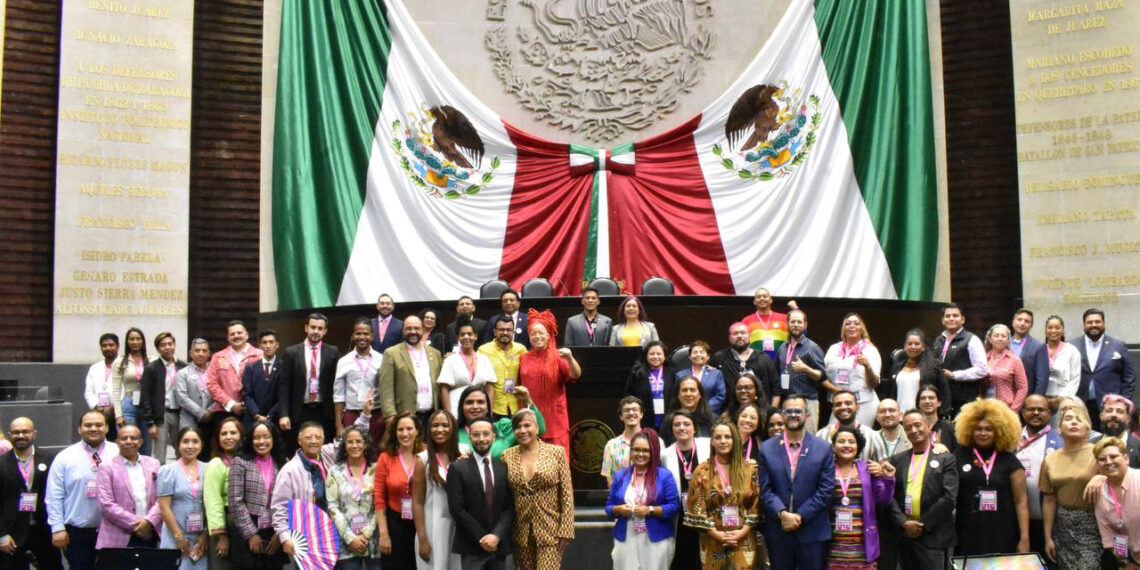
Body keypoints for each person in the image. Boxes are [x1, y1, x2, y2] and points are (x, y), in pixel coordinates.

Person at [760, 394, 836, 570]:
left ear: (807, 415)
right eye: (789, 411)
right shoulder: (767, 448)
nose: (793, 415)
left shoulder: (823, 448)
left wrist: (799, 516)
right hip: (779, 530)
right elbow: (765, 488)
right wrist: (783, 514)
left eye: (798, 411)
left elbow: (825, 490)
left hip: (812, 530)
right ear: (782, 414)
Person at [952, 398, 1030, 556]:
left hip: (1003, 532)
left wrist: (1024, 538)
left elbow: (1021, 501)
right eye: (978, 429)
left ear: (999, 430)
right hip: (967, 532)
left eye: (989, 429)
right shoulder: (959, 456)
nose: (983, 433)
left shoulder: (1010, 460)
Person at [45, 410, 120, 570]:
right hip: (77, 533)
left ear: (107, 428)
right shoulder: (65, 457)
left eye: (99, 425)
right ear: (79, 429)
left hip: (113, 530)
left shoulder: (119, 453)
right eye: (88, 425)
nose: (93, 428)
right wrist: (57, 528)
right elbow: (54, 495)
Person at [501, 409, 574, 570]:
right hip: (521, 530)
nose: (523, 431)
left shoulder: (556, 452)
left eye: (527, 425)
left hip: (551, 529)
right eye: (518, 427)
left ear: (537, 428)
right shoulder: (507, 455)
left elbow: (567, 493)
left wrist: (566, 530)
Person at [686, 420, 762, 569]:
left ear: (735, 440)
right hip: (712, 539)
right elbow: (696, 508)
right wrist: (718, 535)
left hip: (743, 539)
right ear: (712, 442)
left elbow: (757, 505)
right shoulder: (702, 472)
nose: (723, 441)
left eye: (727, 437)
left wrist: (741, 532)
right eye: (718, 437)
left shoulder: (750, 471)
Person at [889, 410, 958, 569]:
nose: (913, 430)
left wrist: (921, 525)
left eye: (918, 425)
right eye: (908, 428)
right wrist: (904, 523)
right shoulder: (897, 460)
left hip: (934, 536)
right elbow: (890, 496)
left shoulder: (945, 458)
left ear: (928, 427)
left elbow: (949, 498)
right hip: (905, 536)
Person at [445, 416, 514, 570]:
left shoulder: (503, 467)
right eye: (476, 434)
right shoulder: (457, 468)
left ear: (493, 437)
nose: (481, 439)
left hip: (498, 546)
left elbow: (509, 507)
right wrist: (482, 538)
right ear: (470, 437)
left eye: (485, 434)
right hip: (471, 545)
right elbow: (457, 509)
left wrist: (496, 535)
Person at [606, 429, 681, 570]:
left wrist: (650, 510)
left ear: (653, 452)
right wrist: (619, 509)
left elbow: (674, 506)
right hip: (625, 537)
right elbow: (609, 508)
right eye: (636, 450)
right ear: (631, 451)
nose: (640, 454)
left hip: (656, 538)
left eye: (646, 451)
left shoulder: (664, 475)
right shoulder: (620, 476)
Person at [825, 425, 896, 569]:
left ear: (858, 446)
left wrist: (888, 479)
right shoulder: (825, 469)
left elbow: (884, 500)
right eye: (841, 441)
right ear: (833, 447)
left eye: (851, 442)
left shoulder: (868, 468)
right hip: (832, 546)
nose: (846, 445)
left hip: (863, 546)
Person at [1041, 405, 1101, 569]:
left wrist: (1102, 478)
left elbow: (1119, 479)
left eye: (1079, 419)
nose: (1073, 422)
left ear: (1088, 428)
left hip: (1092, 524)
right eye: (1068, 419)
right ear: (1059, 427)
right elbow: (1048, 499)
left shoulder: (1098, 453)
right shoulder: (1050, 459)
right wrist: (1048, 537)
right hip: (1063, 527)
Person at [518, 309, 581, 453]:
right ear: (529, 336)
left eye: (541, 333)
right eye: (534, 333)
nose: (537, 336)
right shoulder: (523, 358)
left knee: (559, 464)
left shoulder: (558, 356)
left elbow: (576, 375)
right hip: (530, 418)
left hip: (555, 421)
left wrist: (570, 359)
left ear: (548, 335)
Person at [0, 418, 60, 570]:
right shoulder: (1, 463)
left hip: (44, 530)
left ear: (34, 433)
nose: (20, 435)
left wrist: (59, 528)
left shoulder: (51, 459)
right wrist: (1, 534)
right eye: (16, 432)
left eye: (25, 431)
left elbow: (58, 495)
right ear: (9, 435)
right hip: (12, 533)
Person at [227, 420, 287, 570]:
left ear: (273, 439)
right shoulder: (240, 462)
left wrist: (279, 534)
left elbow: (289, 501)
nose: (261, 441)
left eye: (266, 437)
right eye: (256, 437)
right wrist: (251, 535)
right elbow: (235, 502)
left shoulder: (283, 463)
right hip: (247, 530)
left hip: (274, 529)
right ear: (250, 440)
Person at [273, 421, 335, 559]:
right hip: (305, 536)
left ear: (323, 440)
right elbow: (279, 508)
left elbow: (350, 440)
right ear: (299, 440)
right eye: (308, 438)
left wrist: (366, 414)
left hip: (332, 533)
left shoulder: (328, 456)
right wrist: (284, 537)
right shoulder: (289, 470)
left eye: (318, 437)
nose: (313, 441)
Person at [277, 313, 341, 445]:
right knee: (299, 447)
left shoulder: (333, 352)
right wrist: (283, 414)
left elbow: (338, 384)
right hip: (299, 410)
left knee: (324, 447)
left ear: (325, 331)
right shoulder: (291, 353)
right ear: (306, 328)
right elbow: (284, 386)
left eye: (320, 328)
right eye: (313, 327)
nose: (316, 331)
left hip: (324, 410)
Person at [94, 425, 161, 548]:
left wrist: (149, 522)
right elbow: (106, 504)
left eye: (133, 438)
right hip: (118, 536)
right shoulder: (106, 467)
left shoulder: (154, 464)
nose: (129, 441)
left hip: (150, 533)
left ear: (140, 442)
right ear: (117, 442)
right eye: (124, 438)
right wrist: (139, 524)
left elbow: (161, 499)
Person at [374, 413, 426, 570]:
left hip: (423, 524)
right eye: (400, 429)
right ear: (394, 432)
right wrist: (383, 534)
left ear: (417, 431)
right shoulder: (385, 458)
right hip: (395, 525)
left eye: (409, 428)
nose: (405, 434)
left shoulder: (425, 455)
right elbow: (379, 497)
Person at [1016, 393, 1064, 557]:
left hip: (1048, 522)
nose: (1036, 413)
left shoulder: (1059, 442)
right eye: (1031, 409)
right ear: (1023, 412)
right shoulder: (1011, 439)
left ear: (1049, 413)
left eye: (1041, 410)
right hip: (1015, 521)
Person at [326, 425, 380, 570]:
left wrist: (366, 534)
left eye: (359, 441)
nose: (354, 445)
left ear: (366, 444)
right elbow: (332, 507)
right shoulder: (334, 472)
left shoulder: (377, 469)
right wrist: (350, 538)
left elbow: (380, 504)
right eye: (350, 442)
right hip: (346, 543)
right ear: (344, 445)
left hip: (373, 540)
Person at [660, 410, 709, 570]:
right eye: (677, 424)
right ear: (672, 429)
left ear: (695, 428)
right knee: (683, 559)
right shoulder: (665, 455)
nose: (682, 428)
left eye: (687, 424)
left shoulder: (708, 446)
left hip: (706, 514)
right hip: (680, 517)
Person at [415, 410, 461, 570]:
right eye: (435, 425)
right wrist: (422, 539)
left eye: (444, 425)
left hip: (459, 529)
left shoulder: (463, 453)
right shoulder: (422, 460)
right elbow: (417, 503)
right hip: (432, 528)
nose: (440, 429)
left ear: (453, 428)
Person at [157, 427, 209, 570]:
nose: (190, 446)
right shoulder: (168, 471)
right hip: (175, 536)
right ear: (178, 444)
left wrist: (206, 535)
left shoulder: (209, 469)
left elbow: (212, 505)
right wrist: (178, 537)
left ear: (202, 445)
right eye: (185, 441)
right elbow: (164, 507)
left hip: (201, 539)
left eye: (195, 442)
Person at [379, 315, 444, 430]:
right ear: (403, 331)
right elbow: (386, 388)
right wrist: (390, 415)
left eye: (416, 328)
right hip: (405, 416)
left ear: (423, 330)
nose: (413, 332)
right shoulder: (392, 353)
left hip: (432, 416)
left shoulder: (435, 354)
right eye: (409, 328)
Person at [1075, 309, 1136, 429]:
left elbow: (1129, 377)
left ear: (1103, 324)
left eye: (1097, 322)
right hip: (1082, 404)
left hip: (1110, 406)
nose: (1094, 325)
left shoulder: (1118, 345)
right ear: (1084, 324)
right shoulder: (1073, 345)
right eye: (1090, 322)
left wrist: (1123, 401)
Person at [205, 320, 264, 442]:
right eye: (232, 334)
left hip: (253, 411)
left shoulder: (259, 355)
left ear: (246, 334)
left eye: (239, 333)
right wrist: (231, 404)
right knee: (224, 447)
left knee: (249, 445)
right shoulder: (218, 357)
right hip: (224, 411)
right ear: (228, 337)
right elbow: (211, 383)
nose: (236, 336)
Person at [454, 385, 545, 459]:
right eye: (469, 402)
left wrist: (527, 401)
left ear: (488, 408)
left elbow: (539, 429)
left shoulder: (503, 427)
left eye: (480, 402)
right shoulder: (453, 433)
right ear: (462, 407)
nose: (475, 406)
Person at [823, 314, 881, 427]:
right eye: (848, 323)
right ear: (843, 329)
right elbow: (823, 376)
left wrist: (867, 366)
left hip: (864, 402)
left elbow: (874, 383)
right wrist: (835, 390)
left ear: (862, 329)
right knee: (833, 436)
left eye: (856, 323)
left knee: (859, 438)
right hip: (840, 402)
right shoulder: (833, 349)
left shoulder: (870, 350)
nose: (852, 326)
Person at [1091, 436, 1140, 568]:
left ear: (1126, 459)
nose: (1108, 462)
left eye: (1113, 457)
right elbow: (1109, 538)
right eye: (1102, 459)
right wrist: (1126, 563)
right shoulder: (1100, 494)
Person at [932, 303, 989, 415]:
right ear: (943, 320)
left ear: (962, 319)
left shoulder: (972, 339)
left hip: (964, 401)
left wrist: (954, 375)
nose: (951, 318)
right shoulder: (938, 340)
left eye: (955, 316)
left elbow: (982, 370)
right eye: (948, 316)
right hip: (941, 398)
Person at [776, 309, 826, 434]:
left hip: (807, 401)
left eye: (799, 322)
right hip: (787, 401)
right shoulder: (782, 347)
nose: (796, 324)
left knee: (807, 439)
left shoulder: (812, 347)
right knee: (789, 438)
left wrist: (805, 369)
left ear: (805, 325)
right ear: (787, 324)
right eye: (793, 322)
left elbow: (822, 376)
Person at [437, 317, 496, 418]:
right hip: (456, 411)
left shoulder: (484, 359)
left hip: (480, 410)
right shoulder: (450, 360)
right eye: (462, 334)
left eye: (469, 334)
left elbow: (490, 387)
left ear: (475, 336)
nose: (466, 337)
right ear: (458, 338)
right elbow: (444, 389)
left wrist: (489, 412)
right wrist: (449, 415)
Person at [711, 322, 780, 409]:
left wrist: (771, 413)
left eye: (743, 333)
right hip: (728, 412)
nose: (739, 336)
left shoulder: (763, 359)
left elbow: (776, 389)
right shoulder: (719, 358)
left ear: (749, 336)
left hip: (760, 412)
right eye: (735, 333)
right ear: (729, 338)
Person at [203, 418, 242, 570]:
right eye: (224, 433)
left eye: (233, 432)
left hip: (243, 526)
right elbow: (213, 502)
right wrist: (222, 535)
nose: (228, 437)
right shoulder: (216, 464)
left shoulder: (247, 461)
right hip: (224, 524)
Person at [334, 318, 383, 439]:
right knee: (353, 451)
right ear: (353, 336)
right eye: (358, 333)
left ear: (372, 336)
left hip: (376, 414)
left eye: (366, 334)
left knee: (375, 451)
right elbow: (338, 395)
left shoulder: (382, 359)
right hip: (352, 414)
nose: (362, 337)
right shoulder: (344, 361)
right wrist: (338, 425)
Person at [882, 328, 950, 416]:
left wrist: (942, 414)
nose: (913, 347)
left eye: (917, 344)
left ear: (923, 347)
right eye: (909, 344)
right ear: (904, 347)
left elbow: (945, 392)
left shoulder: (934, 367)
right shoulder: (897, 367)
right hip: (900, 416)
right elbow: (889, 393)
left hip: (924, 416)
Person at [141, 331, 185, 461]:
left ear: (174, 345)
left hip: (180, 413)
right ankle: (157, 478)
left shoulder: (182, 366)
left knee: (181, 448)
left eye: (170, 344)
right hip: (161, 414)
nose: (167, 347)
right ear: (158, 348)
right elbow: (145, 396)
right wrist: (150, 423)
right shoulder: (151, 368)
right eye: (163, 345)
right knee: (160, 452)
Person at [477, 316, 528, 421]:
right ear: (495, 332)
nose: (505, 333)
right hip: (494, 407)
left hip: (516, 406)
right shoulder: (483, 350)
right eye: (501, 330)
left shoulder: (521, 349)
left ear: (513, 332)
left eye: (508, 330)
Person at [815, 390, 884, 462]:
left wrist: (879, 468)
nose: (843, 407)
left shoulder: (872, 436)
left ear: (857, 408)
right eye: (838, 404)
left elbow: (883, 466)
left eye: (848, 403)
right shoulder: (821, 435)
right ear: (833, 409)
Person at [110, 328, 150, 449]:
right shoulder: (120, 361)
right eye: (131, 339)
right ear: (127, 341)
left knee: (146, 445)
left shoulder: (151, 360)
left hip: (146, 405)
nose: (135, 341)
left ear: (143, 341)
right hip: (128, 404)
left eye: (138, 338)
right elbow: (116, 390)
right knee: (129, 443)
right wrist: (118, 415)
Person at [625, 341, 676, 429]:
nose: (655, 357)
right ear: (646, 356)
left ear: (664, 356)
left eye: (659, 354)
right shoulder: (637, 372)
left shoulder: (672, 373)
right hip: (645, 419)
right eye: (652, 354)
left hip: (668, 420)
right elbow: (629, 394)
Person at [602, 397, 647, 487]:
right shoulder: (611, 445)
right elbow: (610, 480)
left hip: (649, 497)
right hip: (621, 499)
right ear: (621, 416)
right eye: (626, 410)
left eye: (635, 410)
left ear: (641, 414)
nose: (631, 413)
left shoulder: (654, 441)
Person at [240, 330, 280, 430]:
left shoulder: (284, 367)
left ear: (277, 345)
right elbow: (246, 394)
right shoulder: (250, 367)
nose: (268, 345)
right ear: (260, 346)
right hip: (252, 418)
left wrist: (270, 416)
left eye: (271, 342)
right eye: (264, 342)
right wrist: (256, 414)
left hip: (275, 419)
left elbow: (284, 396)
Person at [84, 333, 121, 441]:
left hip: (119, 413)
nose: (108, 348)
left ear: (117, 346)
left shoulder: (125, 365)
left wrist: (114, 408)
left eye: (111, 345)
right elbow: (88, 392)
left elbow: (126, 391)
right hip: (99, 413)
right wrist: (97, 407)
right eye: (104, 346)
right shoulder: (94, 368)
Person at [985, 324, 1030, 411]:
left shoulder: (1014, 360)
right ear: (990, 339)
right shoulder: (983, 359)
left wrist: (1013, 410)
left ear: (1008, 340)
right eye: (996, 335)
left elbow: (1023, 388)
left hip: (1006, 409)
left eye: (1003, 336)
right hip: (986, 407)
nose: (1000, 338)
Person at [676, 340, 727, 415]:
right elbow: (677, 395)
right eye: (695, 352)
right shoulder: (680, 375)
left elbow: (720, 396)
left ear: (708, 356)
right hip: (687, 414)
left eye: (701, 352)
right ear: (689, 357)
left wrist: (704, 408)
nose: (698, 355)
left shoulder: (716, 374)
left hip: (710, 414)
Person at [175, 339, 214, 434]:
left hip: (212, 418)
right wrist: (201, 414)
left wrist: (210, 410)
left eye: (204, 351)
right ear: (191, 353)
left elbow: (220, 394)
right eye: (197, 350)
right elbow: (182, 398)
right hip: (189, 419)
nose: (201, 354)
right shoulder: (182, 373)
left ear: (209, 354)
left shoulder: (215, 372)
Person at [741, 287, 791, 361]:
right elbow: (742, 345)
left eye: (765, 296)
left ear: (771, 300)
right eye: (758, 297)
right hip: (755, 363)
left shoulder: (784, 318)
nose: (762, 298)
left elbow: (800, 333)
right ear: (754, 301)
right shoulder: (746, 321)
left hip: (781, 362)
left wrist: (796, 308)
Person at [663, 376, 715, 446]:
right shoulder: (669, 421)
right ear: (678, 395)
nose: (688, 394)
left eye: (692, 390)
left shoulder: (711, 420)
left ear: (700, 395)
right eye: (684, 390)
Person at [1011, 309, 1051, 396]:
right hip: (1003, 398)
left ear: (1031, 325)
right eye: (1019, 319)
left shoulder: (1038, 346)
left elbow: (1042, 379)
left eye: (1027, 321)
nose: (1022, 323)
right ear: (1013, 322)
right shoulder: (1004, 343)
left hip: (1026, 397)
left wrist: (1035, 400)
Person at [1097, 394, 1140, 467]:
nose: (1113, 415)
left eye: (1119, 411)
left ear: (1128, 419)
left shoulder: (1138, 446)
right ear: (1101, 416)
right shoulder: (1091, 445)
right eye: (1109, 410)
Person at [918, 384, 957, 450]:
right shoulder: (913, 428)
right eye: (923, 398)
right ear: (918, 404)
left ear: (939, 403)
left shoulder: (950, 429)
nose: (927, 401)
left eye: (931, 398)